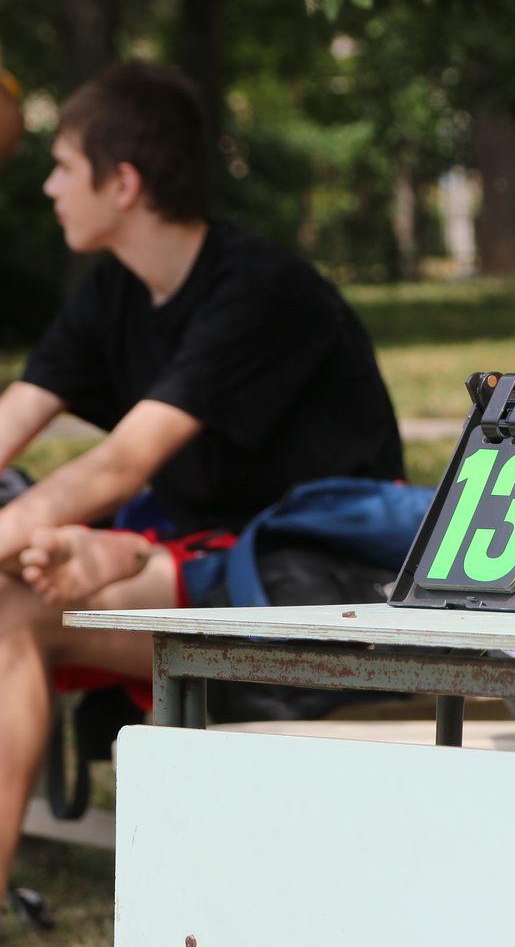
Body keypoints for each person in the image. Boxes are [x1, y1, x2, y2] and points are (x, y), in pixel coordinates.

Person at [0, 61, 404, 901]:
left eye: (64, 166)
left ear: (124, 183)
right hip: (208, 571)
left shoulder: (259, 288)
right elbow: (16, 417)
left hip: (318, 594)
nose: (47, 186)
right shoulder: (116, 290)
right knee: (14, 599)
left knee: (14, 611)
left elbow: (122, 463)